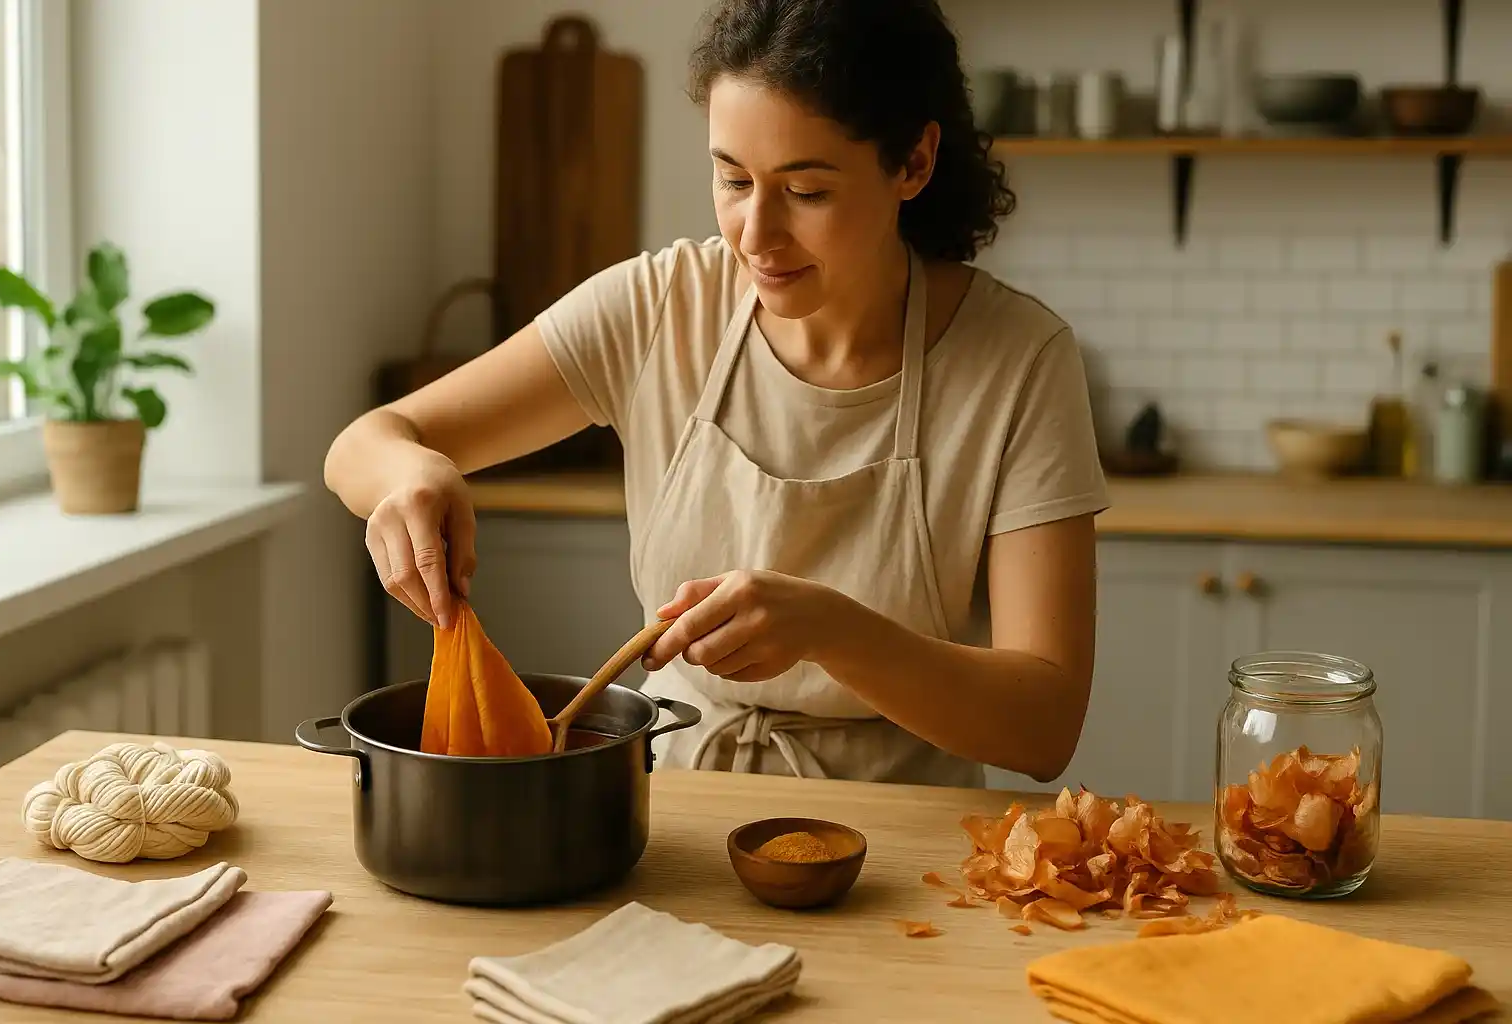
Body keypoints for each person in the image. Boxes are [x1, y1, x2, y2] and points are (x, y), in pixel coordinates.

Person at [324, 0, 1110, 789]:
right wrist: (413, 473)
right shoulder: (658, 308)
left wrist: (831, 630)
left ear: (913, 162)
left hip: (902, 834)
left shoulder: (1019, 361)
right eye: (734, 179)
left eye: (806, 191)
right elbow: (365, 443)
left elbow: (1043, 726)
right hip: (679, 810)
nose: (755, 235)